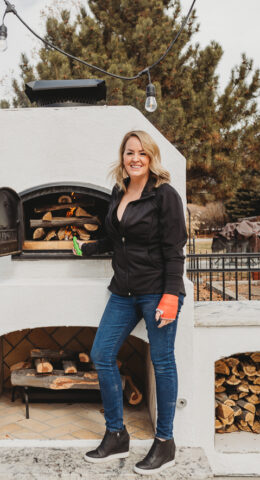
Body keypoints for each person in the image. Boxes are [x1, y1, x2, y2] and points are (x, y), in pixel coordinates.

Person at [72, 130, 187, 475]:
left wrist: (170, 295)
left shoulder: (164, 195)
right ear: (122, 157)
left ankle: (165, 442)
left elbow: (174, 248)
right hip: (122, 291)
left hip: (157, 291)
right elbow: (114, 237)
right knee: (102, 355)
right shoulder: (119, 191)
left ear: (152, 158)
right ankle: (116, 434)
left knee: (162, 361)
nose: (135, 158)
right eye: (129, 152)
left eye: (142, 153)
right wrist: (86, 248)